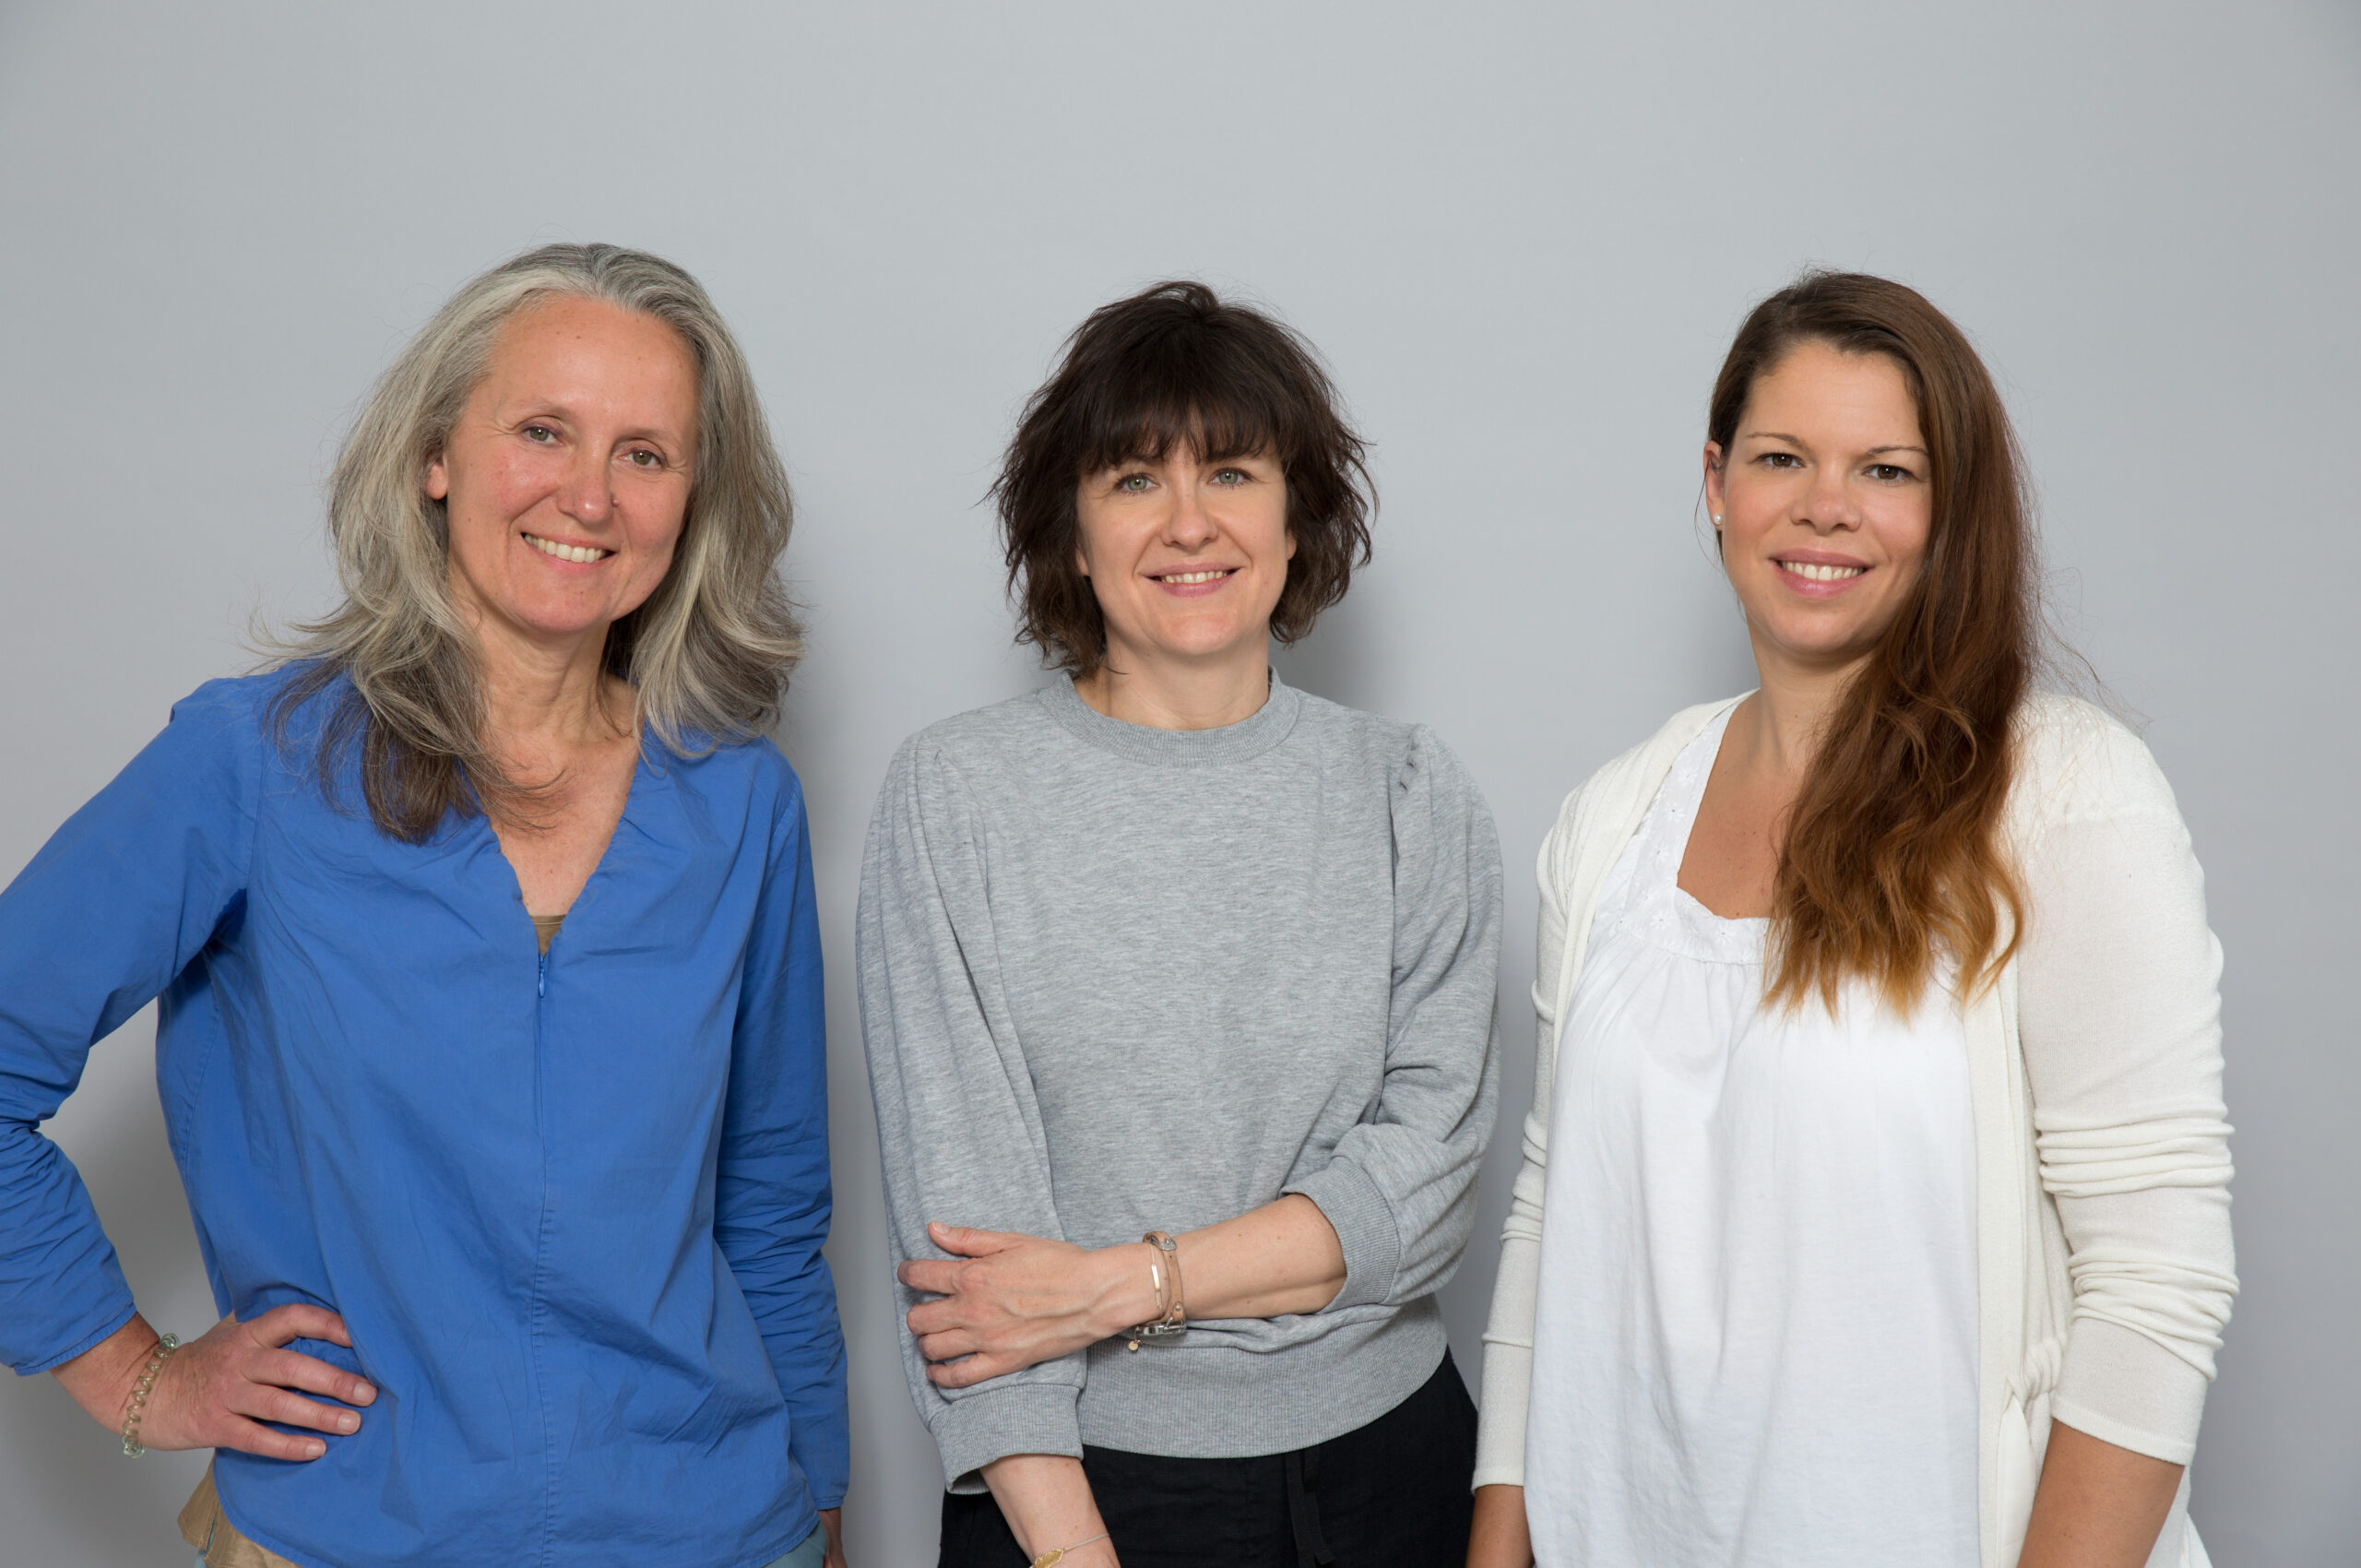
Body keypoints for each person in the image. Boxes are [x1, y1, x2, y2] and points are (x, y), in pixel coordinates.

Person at [0, 244, 849, 1568]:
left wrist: (826, 1510)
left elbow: (772, 1210)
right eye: (542, 430)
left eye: (646, 453)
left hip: (719, 1532)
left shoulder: (742, 810)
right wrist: (137, 1378)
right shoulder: (254, 764)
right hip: (348, 1535)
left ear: (694, 502)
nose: (590, 495)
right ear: (435, 458)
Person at [1465, 272, 2236, 1568]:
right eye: (1783, 457)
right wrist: (1498, 1542)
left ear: (1952, 514)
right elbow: (1552, 1215)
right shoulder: (1613, 818)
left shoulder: (2062, 799)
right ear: (1716, 484)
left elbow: (2155, 1296)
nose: (1827, 505)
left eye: (1886, 469)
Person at [858, 280, 1502, 1568]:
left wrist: (1123, 1283)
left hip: (1391, 1475)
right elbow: (969, 1257)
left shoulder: (1409, 792)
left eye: (1234, 473)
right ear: (1073, 531)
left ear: (1295, 513)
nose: (1191, 522)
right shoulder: (958, 797)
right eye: (1135, 480)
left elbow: (1422, 1193)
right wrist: (1071, 1550)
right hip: (1078, 1496)